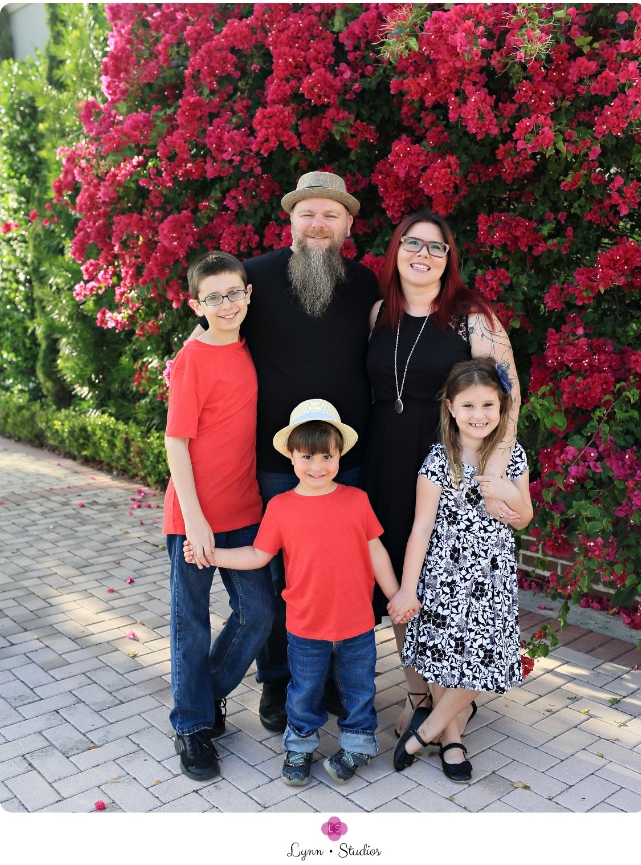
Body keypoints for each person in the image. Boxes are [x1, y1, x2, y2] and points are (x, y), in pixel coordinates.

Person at [189, 172, 379, 732]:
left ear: (347, 224)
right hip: (276, 465)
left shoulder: (367, 283)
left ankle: (338, 682)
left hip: (347, 458)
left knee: (344, 573)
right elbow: (210, 330)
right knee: (278, 578)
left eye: (330, 215)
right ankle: (278, 685)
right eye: (308, 214)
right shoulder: (257, 278)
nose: (318, 224)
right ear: (290, 219)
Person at [362, 210, 522, 738]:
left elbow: (506, 389)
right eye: (413, 244)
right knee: (402, 582)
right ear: (397, 250)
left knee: (442, 581)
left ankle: (450, 703)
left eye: (436, 247)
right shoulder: (379, 313)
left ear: (448, 258)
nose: (423, 255)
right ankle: (416, 691)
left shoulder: (470, 315)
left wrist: (495, 472)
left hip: (445, 462)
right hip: (386, 456)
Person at [199, 399, 415, 786]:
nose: (318, 467)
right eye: (308, 456)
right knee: (303, 691)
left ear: (339, 454)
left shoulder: (356, 500)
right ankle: (299, 745)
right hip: (305, 626)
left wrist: (397, 594)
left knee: (359, 690)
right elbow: (258, 554)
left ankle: (358, 745)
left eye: (326, 456)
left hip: (356, 625)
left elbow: (377, 552)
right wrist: (213, 554)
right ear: (291, 456)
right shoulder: (281, 508)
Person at [389, 358, 533, 781]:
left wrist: (510, 492)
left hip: (492, 579)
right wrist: (407, 589)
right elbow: (420, 529)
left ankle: (429, 728)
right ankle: (451, 738)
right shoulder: (439, 460)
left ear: (502, 407)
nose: (479, 415)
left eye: (488, 405)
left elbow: (524, 518)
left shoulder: (512, 456)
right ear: (451, 408)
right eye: (468, 405)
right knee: (440, 659)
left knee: (489, 659)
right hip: (443, 580)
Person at [163, 250, 275, 781]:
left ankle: (200, 699)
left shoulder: (249, 348)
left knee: (258, 612)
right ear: (196, 305)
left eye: (235, 293)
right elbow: (176, 442)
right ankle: (192, 726)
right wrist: (195, 518)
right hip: (194, 515)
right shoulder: (193, 358)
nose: (227, 304)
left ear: (249, 294)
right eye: (214, 297)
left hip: (245, 508)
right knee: (189, 619)